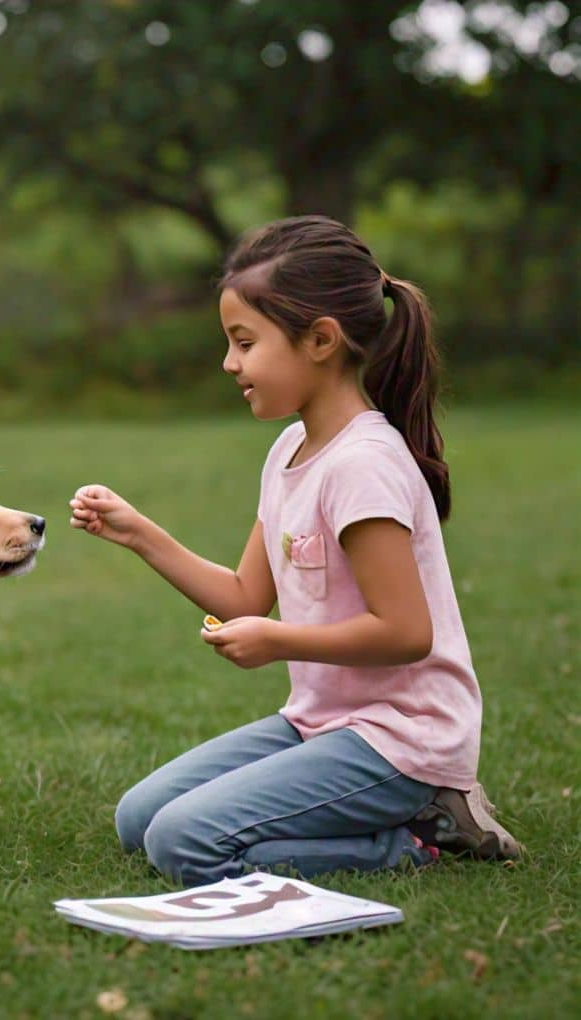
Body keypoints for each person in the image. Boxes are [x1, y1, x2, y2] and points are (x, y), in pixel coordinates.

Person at [69, 215, 521, 887]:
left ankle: (421, 835)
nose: (230, 363)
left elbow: (406, 632)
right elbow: (245, 598)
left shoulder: (362, 466)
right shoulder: (290, 451)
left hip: (400, 742)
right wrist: (140, 534)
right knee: (140, 819)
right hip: (321, 723)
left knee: (183, 844)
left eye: (244, 342)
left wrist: (279, 640)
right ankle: (394, 819)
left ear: (320, 340)